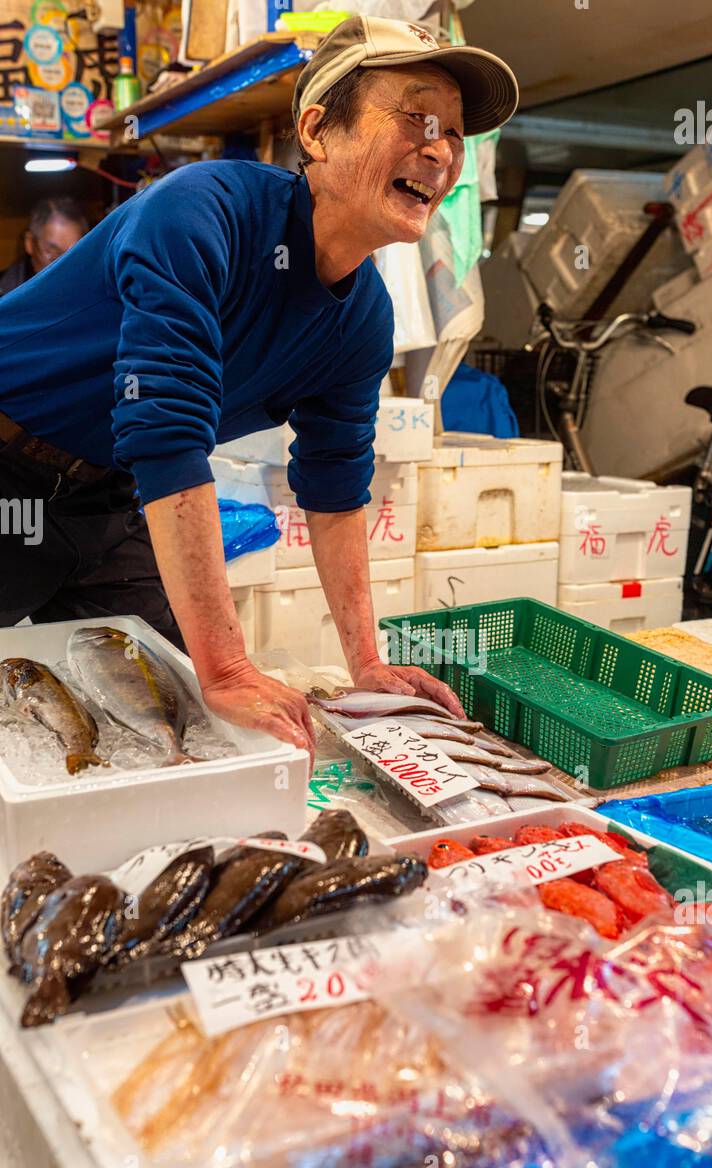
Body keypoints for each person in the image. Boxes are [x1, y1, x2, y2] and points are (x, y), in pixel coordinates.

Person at [0, 17, 518, 759]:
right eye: (416, 118)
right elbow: (168, 429)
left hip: (105, 495)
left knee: (166, 723)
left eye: (455, 134)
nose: (440, 149)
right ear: (317, 130)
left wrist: (365, 662)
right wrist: (230, 664)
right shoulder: (201, 209)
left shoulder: (366, 315)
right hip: (8, 459)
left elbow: (336, 486)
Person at [0, 196, 88, 298]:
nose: (66, 268)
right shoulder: (4, 294)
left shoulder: (94, 294)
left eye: (75, 255)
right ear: (30, 243)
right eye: (54, 254)